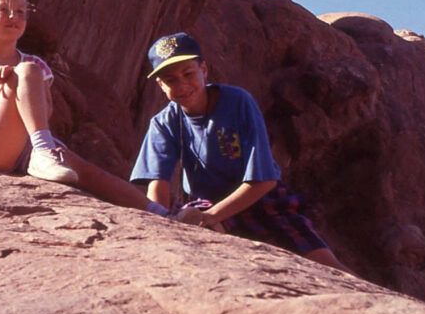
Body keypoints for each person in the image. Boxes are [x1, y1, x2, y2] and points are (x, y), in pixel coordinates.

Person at [0, 0, 169, 217]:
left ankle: (162, 212)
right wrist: (2, 91)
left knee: (87, 171)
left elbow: (46, 113)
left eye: (20, 11)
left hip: (28, 145)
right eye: (3, 9)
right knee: (26, 72)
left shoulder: (35, 64)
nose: (14, 17)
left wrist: (16, 83)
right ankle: (43, 152)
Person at [131, 32, 349, 270]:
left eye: (188, 73)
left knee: (324, 263)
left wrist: (210, 217)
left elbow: (264, 180)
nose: (182, 85)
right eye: (170, 80)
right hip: (207, 202)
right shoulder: (164, 123)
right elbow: (158, 184)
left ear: (204, 70)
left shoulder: (236, 102)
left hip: (260, 197)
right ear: (160, 85)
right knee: (208, 240)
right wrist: (161, 223)